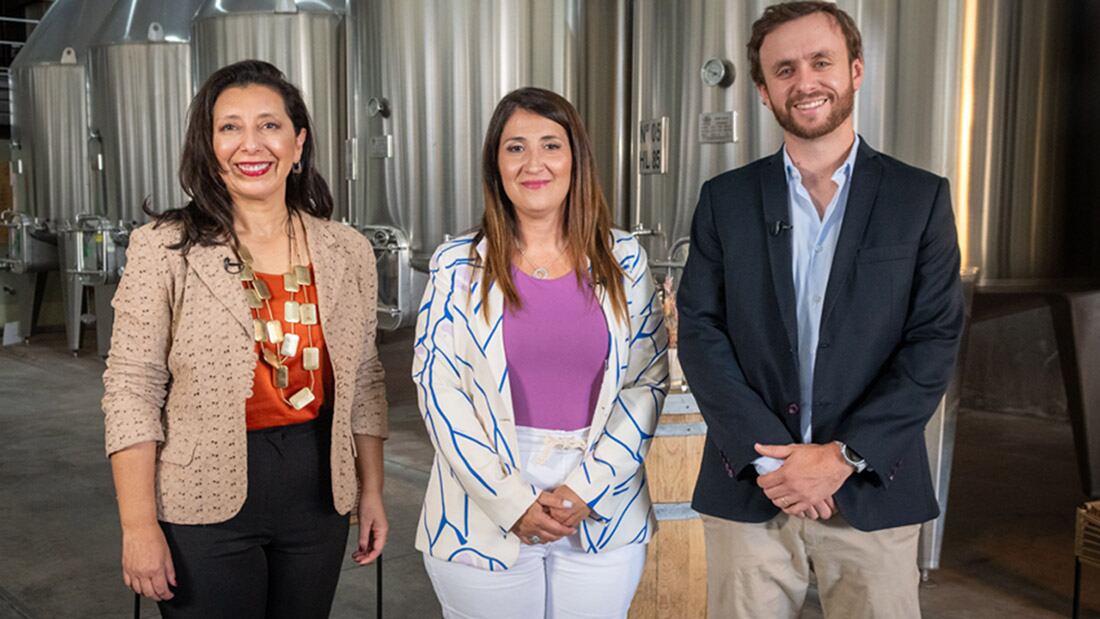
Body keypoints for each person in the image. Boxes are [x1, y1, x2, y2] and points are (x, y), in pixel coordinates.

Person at [676, 2, 964, 618]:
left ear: (856, 70)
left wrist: (840, 458)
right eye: (784, 70)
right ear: (763, 90)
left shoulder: (920, 199)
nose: (805, 82)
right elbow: (700, 333)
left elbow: (933, 342)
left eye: (821, 62)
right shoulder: (724, 201)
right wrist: (770, 462)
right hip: (752, 491)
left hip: (872, 491)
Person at [102, 60, 388, 618]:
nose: (250, 144)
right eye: (230, 127)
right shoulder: (164, 248)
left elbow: (364, 377)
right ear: (208, 148)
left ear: (298, 141)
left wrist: (370, 489)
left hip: (318, 493)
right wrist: (137, 525)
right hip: (201, 496)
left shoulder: (346, 250)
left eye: (270, 125)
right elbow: (132, 387)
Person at [412, 87, 668, 618]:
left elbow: (646, 383)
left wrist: (586, 488)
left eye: (551, 145)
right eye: (515, 148)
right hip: (479, 506)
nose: (534, 164)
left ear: (576, 158)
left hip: (602, 505)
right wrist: (512, 502)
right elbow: (440, 390)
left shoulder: (624, 258)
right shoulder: (457, 263)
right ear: (496, 164)